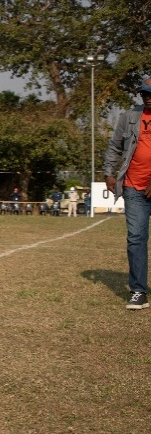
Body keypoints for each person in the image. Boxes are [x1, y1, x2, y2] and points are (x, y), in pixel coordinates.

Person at [103, 78, 151, 310]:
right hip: (134, 187)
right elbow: (115, 147)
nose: (148, 97)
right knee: (136, 238)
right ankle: (138, 291)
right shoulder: (129, 117)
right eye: (145, 93)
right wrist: (109, 173)